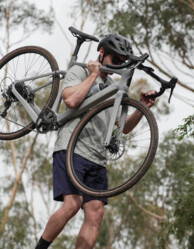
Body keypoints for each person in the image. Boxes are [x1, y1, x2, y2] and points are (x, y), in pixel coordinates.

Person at [35, 34, 156, 249]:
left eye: (122, 62)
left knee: (96, 213)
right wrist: (93, 75)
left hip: (98, 158)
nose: (118, 65)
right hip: (73, 148)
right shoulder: (80, 71)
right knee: (72, 204)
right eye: (115, 60)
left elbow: (123, 127)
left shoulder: (114, 90)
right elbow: (71, 100)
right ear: (102, 53)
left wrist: (143, 106)